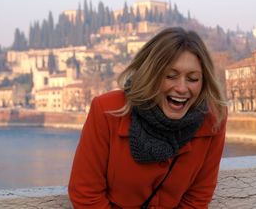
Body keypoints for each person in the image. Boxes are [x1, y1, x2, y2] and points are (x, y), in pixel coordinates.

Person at [68, 26, 228, 208]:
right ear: (150, 75)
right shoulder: (107, 110)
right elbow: (85, 192)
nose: (182, 88)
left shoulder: (213, 119)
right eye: (170, 76)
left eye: (193, 79)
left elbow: (198, 197)